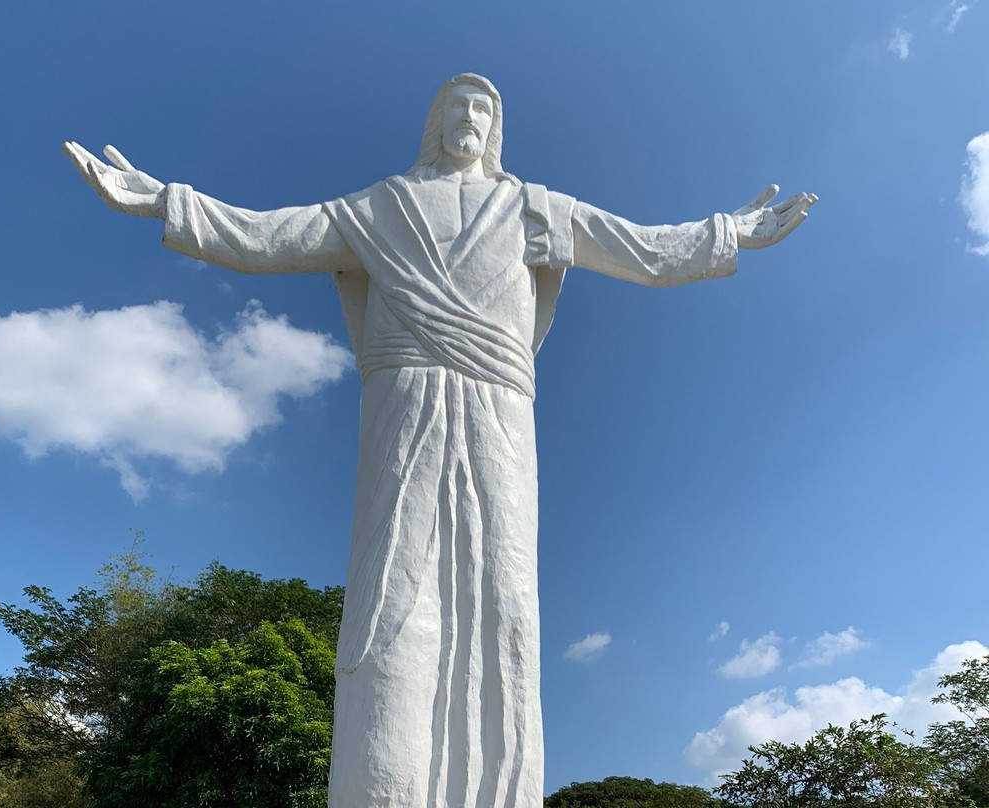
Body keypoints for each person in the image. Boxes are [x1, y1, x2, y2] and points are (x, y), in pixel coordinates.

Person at [64, 72, 815, 808]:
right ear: (434, 121)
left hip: (497, 408)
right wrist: (167, 200)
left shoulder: (534, 208)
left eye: (483, 107)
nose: (469, 115)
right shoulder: (380, 208)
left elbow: (645, 252)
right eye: (455, 103)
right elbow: (268, 235)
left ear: (496, 130)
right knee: (393, 593)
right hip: (406, 400)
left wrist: (730, 232)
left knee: (505, 599)